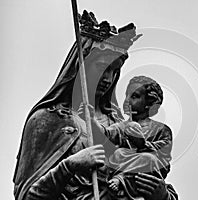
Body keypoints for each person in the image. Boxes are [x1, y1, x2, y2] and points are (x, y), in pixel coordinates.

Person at [13, 11, 178, 200]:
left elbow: (145, 171)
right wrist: (69, 166)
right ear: (80, 65)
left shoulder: (118, 124)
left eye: (114, 71)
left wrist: (162, 195)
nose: (108, 78)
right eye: (102, 67)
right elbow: (27, 197)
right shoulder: (48, 120)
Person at [90, 76, 173, 200]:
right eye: (126, 95)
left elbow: (163, 153)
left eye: (134, 96)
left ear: (149, 104)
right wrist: (91, 120)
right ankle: (120, 179)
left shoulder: (161, 129)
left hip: (146, 172)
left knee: (148, 158)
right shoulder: (122, 127)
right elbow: (105, 136)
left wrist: (142, 144)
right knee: (119, 153)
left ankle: (122, 179)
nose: (127, 100)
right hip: (121, 167)